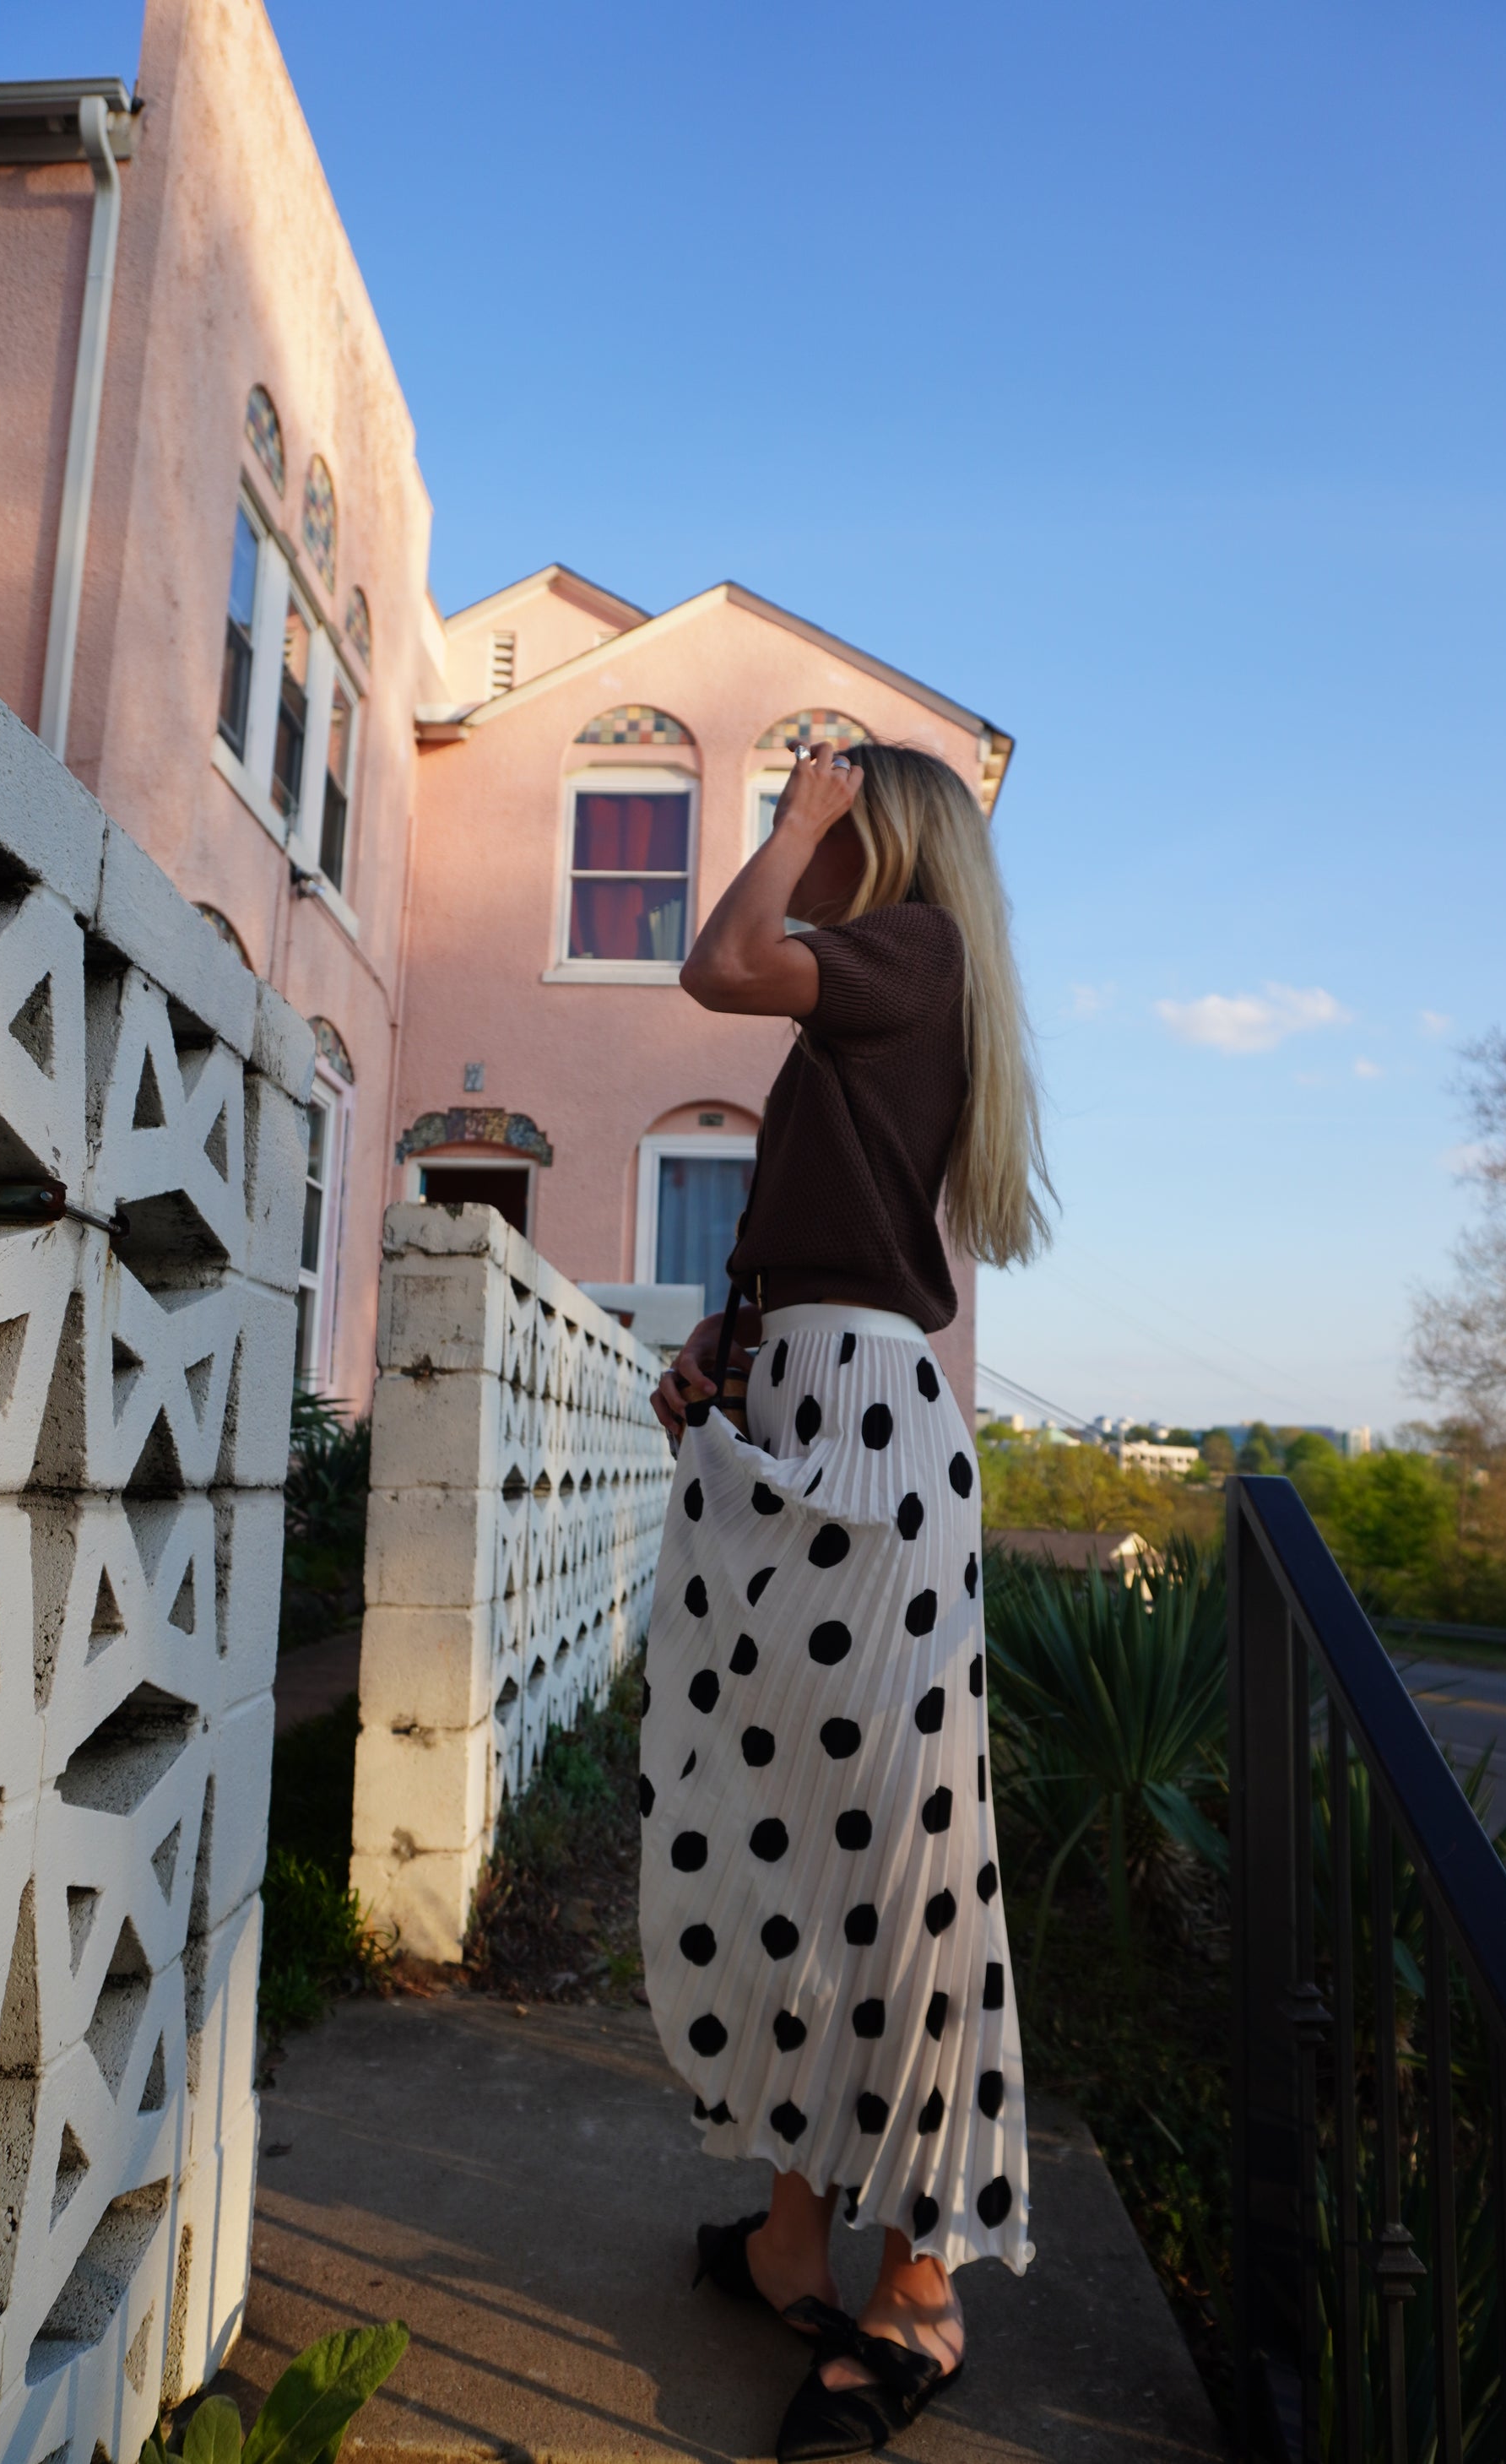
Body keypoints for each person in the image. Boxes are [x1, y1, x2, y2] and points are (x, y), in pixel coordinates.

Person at [642, 737, 1049, 2461]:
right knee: (800, 1844)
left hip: (870, 1443)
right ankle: (802, 2230)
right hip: (808, 1408)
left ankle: (921, 2291)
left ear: (878, 843)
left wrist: (802, 804)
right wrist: (727, 1337)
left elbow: (714, 960)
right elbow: (826, 1227)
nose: (790, 844)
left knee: (902, 1864)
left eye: (820, 824)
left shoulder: (916, 950)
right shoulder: (872, 1003)